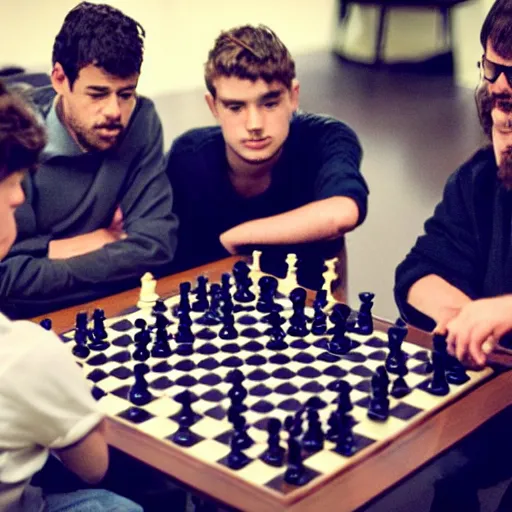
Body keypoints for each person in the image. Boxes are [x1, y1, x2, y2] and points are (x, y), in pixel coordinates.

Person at [0, 81, 143, 512]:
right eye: (8, 183)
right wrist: (62, 398)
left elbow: (155, 241)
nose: (19, 195)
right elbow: (92, 466)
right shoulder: (24, 355)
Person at [393, 1, 512, 510]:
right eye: (493, 75)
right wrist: (460, 316)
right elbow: (420, 271)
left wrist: (503, 309)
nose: (501, 94)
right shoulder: (482, 178)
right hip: (499, 394)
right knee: (433, 463)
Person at [0, 2, 178, 320]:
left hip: (118, 309)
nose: (114, 111)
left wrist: (49, 252)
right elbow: (7, 277)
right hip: (27, 324)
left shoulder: (141, 120)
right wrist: (100, 240)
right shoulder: (11, 135)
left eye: (126, 94)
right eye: (97, 94)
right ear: (59, 79)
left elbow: (155, 247)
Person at [166, 24, 368, 293]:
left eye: (270, 103)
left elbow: (342, 213)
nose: (254, 124)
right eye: (235, 107)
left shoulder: (326, 137)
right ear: (213, 106)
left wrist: (237, 237)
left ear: (293, 97)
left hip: (302, 317)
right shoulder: (188, 157)